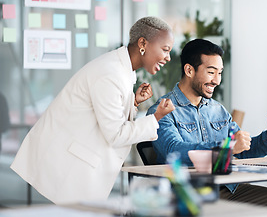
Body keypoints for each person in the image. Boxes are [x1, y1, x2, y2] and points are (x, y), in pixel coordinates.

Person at [11, 16, 175, 204]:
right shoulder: (110, 73)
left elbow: (107, 115)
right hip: (70, 165)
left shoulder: (122, 69)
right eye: (165, 49)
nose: (168, 57)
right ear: (143, 43)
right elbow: (116, 134)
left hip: (79, 163)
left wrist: (134, 103)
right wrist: (156, 117)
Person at [147, 39, 267, 217]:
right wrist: (226, 147)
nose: (217, 81)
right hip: (188, 195)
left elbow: (243, 151)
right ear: (189, 70)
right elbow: (174, 152)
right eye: (211, 72)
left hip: (226, 188)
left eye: (219, 73)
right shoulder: (161, 110)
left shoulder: (217, 110)